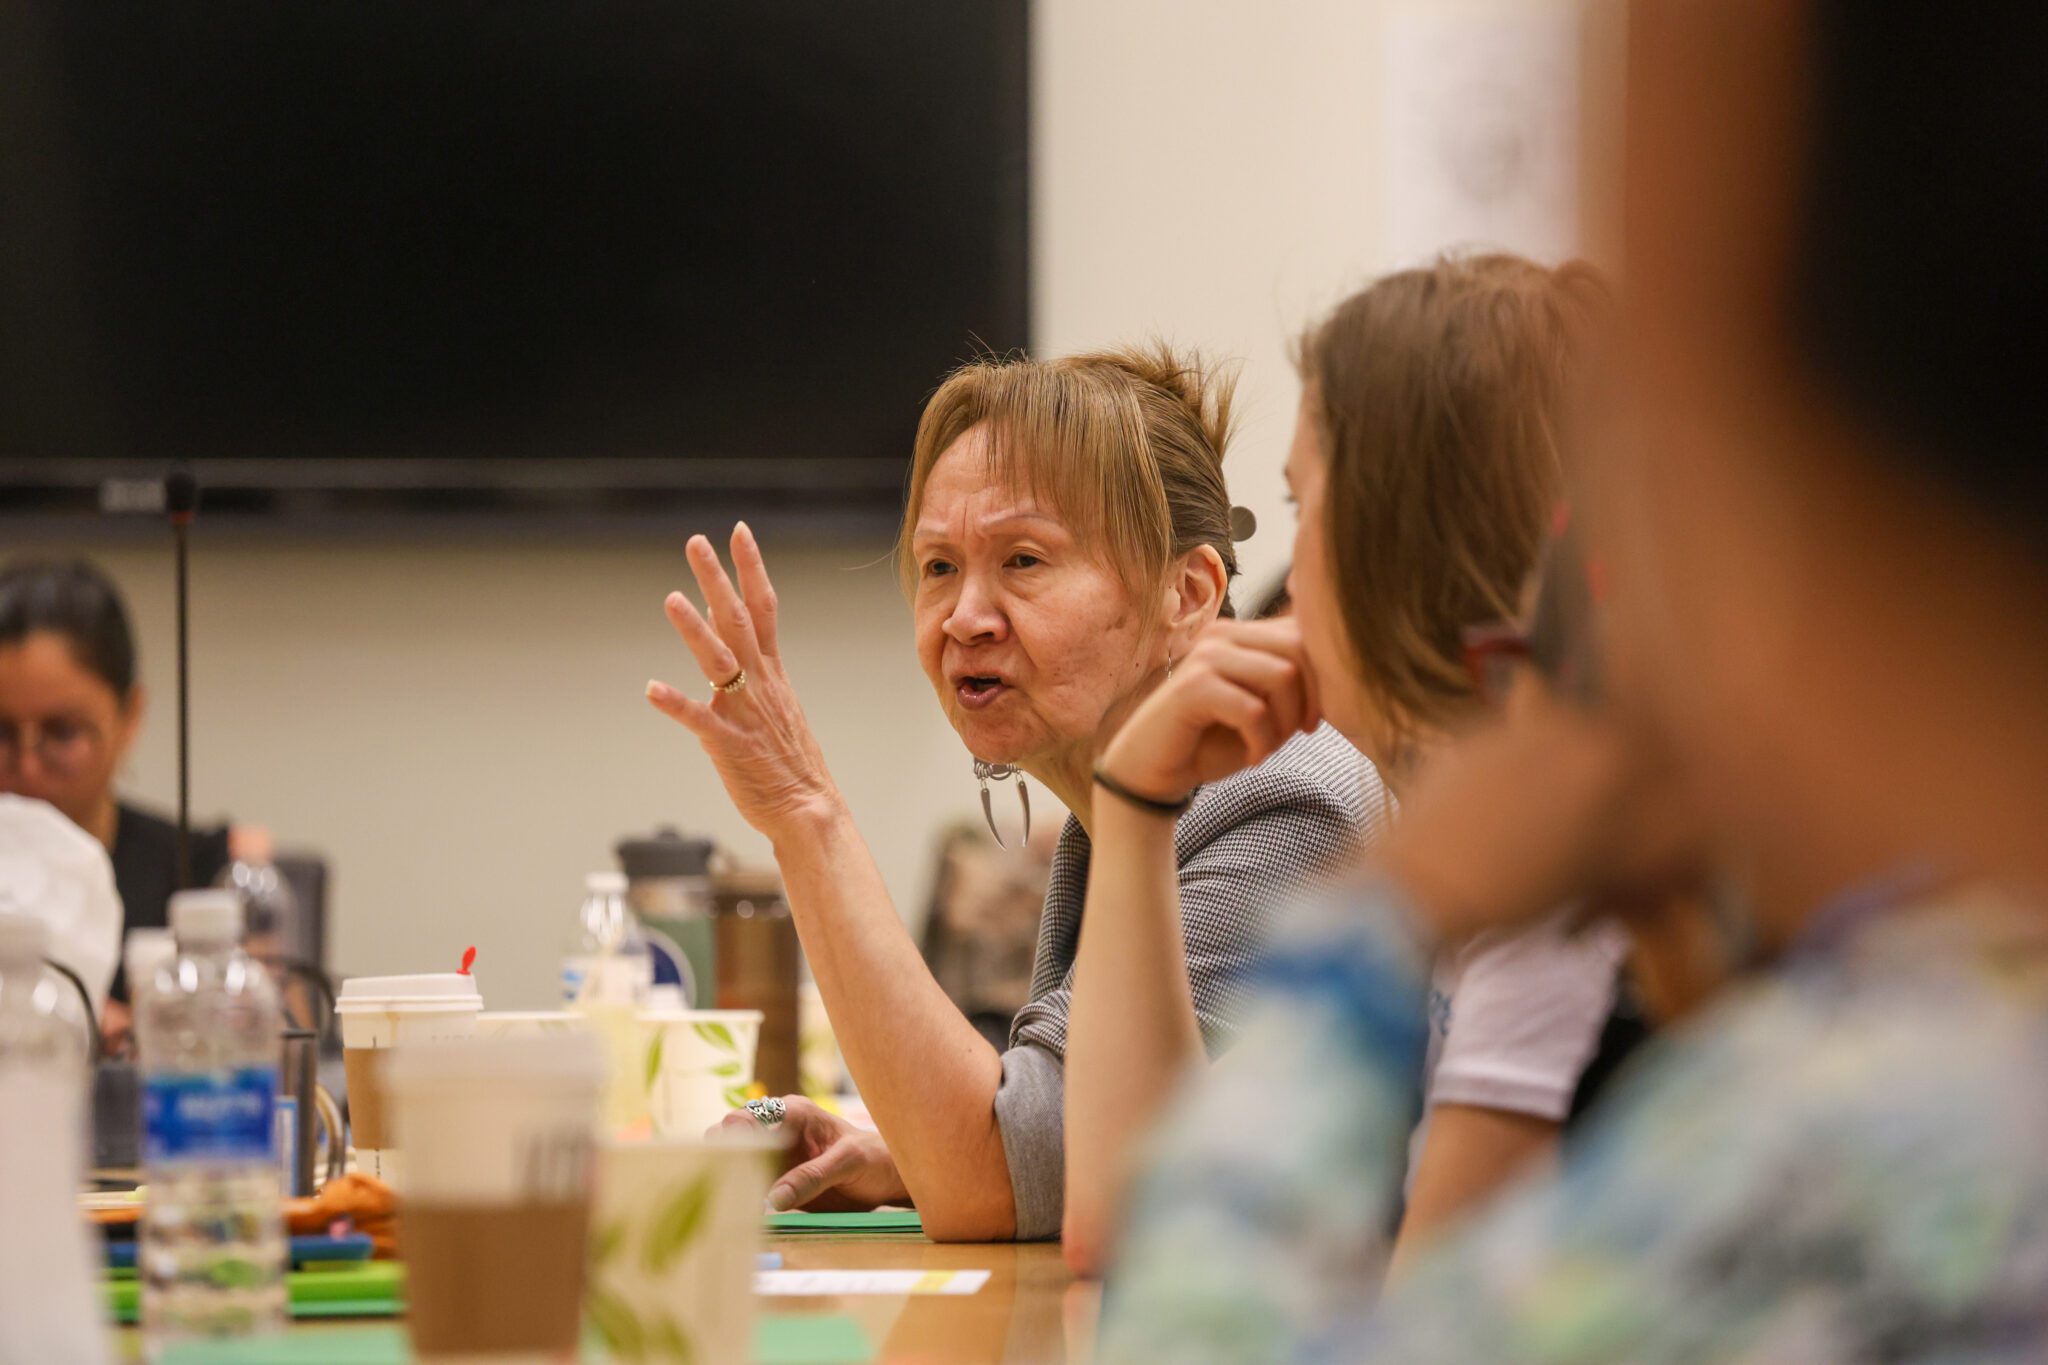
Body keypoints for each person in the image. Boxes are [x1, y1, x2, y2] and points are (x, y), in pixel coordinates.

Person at [1101, 0, 2048, 1358]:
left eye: (1302, 505)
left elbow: (1176, 1308)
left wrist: (1372, 932)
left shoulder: (1852, 1145)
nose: (1286, 576)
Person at [650, 344, 1378, 1242]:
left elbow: (995, 1180)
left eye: (1024, 560)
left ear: (1188, 593)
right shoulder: (1117, 814)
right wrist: (901, 1154)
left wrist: (806, 813)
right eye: (941, 566)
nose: (964, 617)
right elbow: (1073, 1145)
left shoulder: (1282, 801)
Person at [1062, 256, 1630, 1276]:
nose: (1283, 580)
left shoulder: (1546, 915)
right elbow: (1116, 1230)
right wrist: (1136, 807)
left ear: (1391, 546)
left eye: (1296, 505)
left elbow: (1403, 1338)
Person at [0, 560, 232, 1033]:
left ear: (130, 717)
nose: (26, 766)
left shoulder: (197, 870)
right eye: (0, 732)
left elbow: (278, 1055)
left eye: (62, 732)